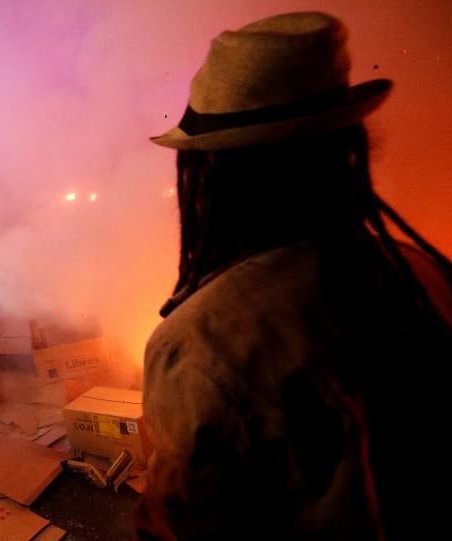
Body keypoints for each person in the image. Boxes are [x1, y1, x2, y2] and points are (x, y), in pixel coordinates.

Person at [135, 12, 452, 541]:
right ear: (347, 153)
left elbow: (183, 528)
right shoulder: (425, 274)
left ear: (208, 171)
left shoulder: (199, 344)